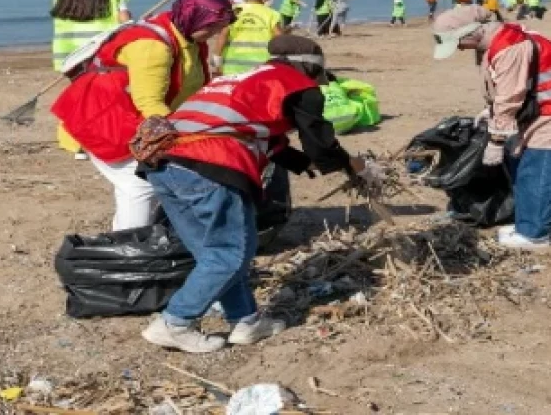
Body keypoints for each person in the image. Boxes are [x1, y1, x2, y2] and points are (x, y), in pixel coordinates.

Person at [136, 35, 384, 353]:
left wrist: (301, 163)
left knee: (214, 253)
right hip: (207, 164)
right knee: (231, 253)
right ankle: (174, 322)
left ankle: (247, 321)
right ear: (311, 67)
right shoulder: (299, 86)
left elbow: (261, 136)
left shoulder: (243, 79)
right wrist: (358, 167)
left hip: (163, 164)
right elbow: (323, 149)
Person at [52, 0, 234, 230]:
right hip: (103, 120)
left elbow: (192, 90)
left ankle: (142, 238)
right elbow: (149, 103)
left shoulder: (189, 40)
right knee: (139, 186)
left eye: (219, 28)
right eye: (210, 28)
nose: (213, 35)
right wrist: (183, 141)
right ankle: (128, 248)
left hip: (133, 121)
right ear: (194, 17)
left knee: (157, 179)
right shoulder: (152, 47)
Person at [431, 7, 551, 250]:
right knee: (521, 163)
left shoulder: (509, 47)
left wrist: (495, 140)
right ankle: (535, 222)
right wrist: (491, 111)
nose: (461, 49)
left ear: (472, 32)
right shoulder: (499, 39)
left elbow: (510, 96)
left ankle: (536, 234)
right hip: (538, 110)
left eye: (459, 43)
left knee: (539, 167)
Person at [50, 0, 133, 160]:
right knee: (100, 101)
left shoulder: (61, 0)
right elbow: (127, 24)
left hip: (69, 58)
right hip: (100, 58)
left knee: (79, 100)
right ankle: (94, 142)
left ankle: (77, 144)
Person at [218, 0, 284, 77]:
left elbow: (222, 37)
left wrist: (215, 64)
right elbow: (280, 39)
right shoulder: (272, 14)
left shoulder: (233, 11)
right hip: (261, 66)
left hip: (232, 65)